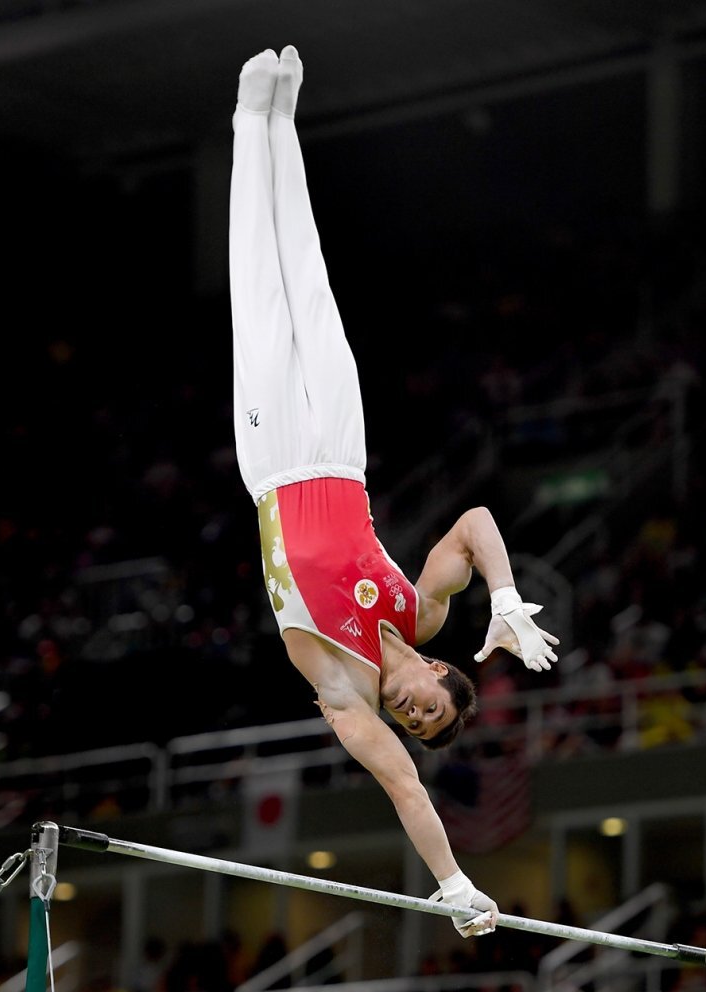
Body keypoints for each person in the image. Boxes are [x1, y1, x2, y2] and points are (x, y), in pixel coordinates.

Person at [229, 45, 560, 938]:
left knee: (258, 299)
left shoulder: (343, 691)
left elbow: (406, 785)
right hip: (339, 453)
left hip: (271, 468)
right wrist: (500, 595)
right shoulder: (419, 615)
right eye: (430, 703)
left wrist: (452, 881)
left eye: (414, 719)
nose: (412, 712)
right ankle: (284, 120)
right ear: (442, 669)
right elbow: (477, 520)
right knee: (311, 279)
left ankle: (244, 124)